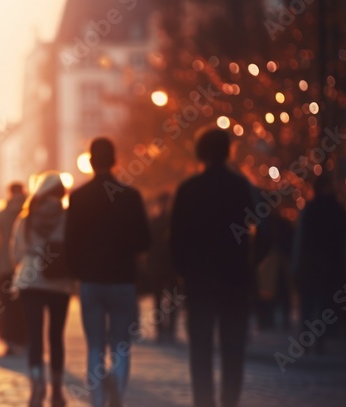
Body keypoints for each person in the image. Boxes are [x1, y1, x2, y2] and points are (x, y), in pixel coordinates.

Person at [170, 128, 255, 407]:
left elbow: (176, 238)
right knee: (234, 351)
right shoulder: (241, 187)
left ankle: (203, 402)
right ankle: (230, 401)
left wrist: (185, 271)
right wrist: (251, 263)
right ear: (228, 151)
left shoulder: (188, 189)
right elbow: (263, 230)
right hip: (234, 280)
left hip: (200, 282)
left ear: (201, 152)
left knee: (201, 351)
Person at [65, 137, 151, 407]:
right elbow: (145, 241)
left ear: (91, 162)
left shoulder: (78, 198)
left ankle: (98, 400)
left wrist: (78, 273)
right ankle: (117, 390)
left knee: (95, 345)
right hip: (123, 281)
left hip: (91, 281)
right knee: (120, 344)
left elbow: (70, 243)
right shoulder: (131, 196)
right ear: (115, 161)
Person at [11, 172, 75, 407]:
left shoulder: (26, 218)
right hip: (59, 282)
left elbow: (16, 253)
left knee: (35, 336)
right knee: (56, 337)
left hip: (30, 281)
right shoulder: (67, 217)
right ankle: (57, 390)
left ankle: (37, 383)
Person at [290, 173, 346, 354]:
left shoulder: (311, 209)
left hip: (310, 264)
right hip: (329, 266)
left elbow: (301, 240)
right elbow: (344, 239)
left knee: (308, 304)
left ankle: (305, 340)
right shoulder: (338, 210)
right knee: (323, 305)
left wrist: (297, 264)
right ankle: (319, 342)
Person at [0, 182, 28, 355]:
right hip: (27, 268)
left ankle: (11, 341)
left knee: (6, 305)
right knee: (26, 305)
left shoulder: (1, 215)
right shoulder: (30, 211)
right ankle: (26, 340)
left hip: (5, 267)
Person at [146, 192, 178, 343]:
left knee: (169, 298)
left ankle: (169, 328)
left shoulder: (168, 222)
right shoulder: (162, 222)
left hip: (169, 264)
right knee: (161, 298)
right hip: (164, 264)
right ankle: (163, 329)